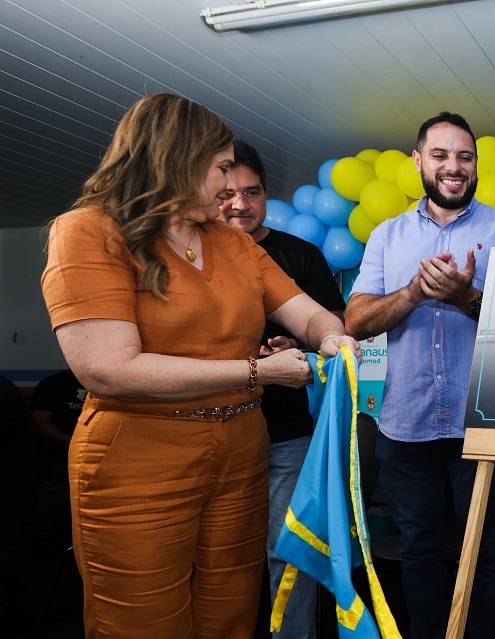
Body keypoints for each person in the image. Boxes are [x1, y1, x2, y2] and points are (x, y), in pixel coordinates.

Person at [40, 92, 359, 639]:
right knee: (142, 623)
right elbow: (108, 369)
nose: (229, 186)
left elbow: (309, 316)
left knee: (231, 614)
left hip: (241, 453)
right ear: (177, 161)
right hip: (139, 460)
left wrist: (334, 339)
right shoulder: (88, 232)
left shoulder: (232, 244)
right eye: (220, 168)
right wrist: (258, 374)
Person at [345, 112, 495, 639]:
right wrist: (414, 294)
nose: (454, 167)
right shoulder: (386, 235)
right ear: (418, 162)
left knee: (487, 552)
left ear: (475, 165)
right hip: (406, 425)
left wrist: (467, 297)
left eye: (465, 157)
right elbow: (355, 320)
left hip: (483, 424)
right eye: (441, 155)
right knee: (418, 553)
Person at [219, 139, 346, 639]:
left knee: (288, 554)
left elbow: (332, 323)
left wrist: (302, 340)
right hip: (216, 432)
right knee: (221, 557)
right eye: (229, 192)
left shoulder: (298, 254)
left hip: (287, 435)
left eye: (252, 193)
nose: (240, 205)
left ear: (266, 195)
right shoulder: (197, 255)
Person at [31, 368, 85, 482]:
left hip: (104, 456)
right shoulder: (52, 384)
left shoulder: (107, 384)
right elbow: (40, 422)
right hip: (60, 458)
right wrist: (72, 443)